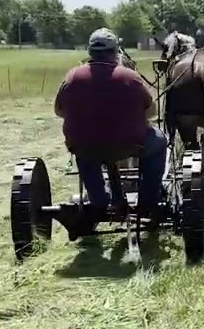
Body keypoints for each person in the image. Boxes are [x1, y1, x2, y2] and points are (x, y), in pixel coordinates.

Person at [54, 28, 168, 231]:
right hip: (128, 145)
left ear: (90, 51)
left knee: (83, 150)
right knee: (159, 141)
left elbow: (59, 111)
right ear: (116, 51)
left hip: (85, 146)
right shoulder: (130, 77)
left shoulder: (72, 77)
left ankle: (98, 201)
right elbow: (151, 112)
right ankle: (148, 200)